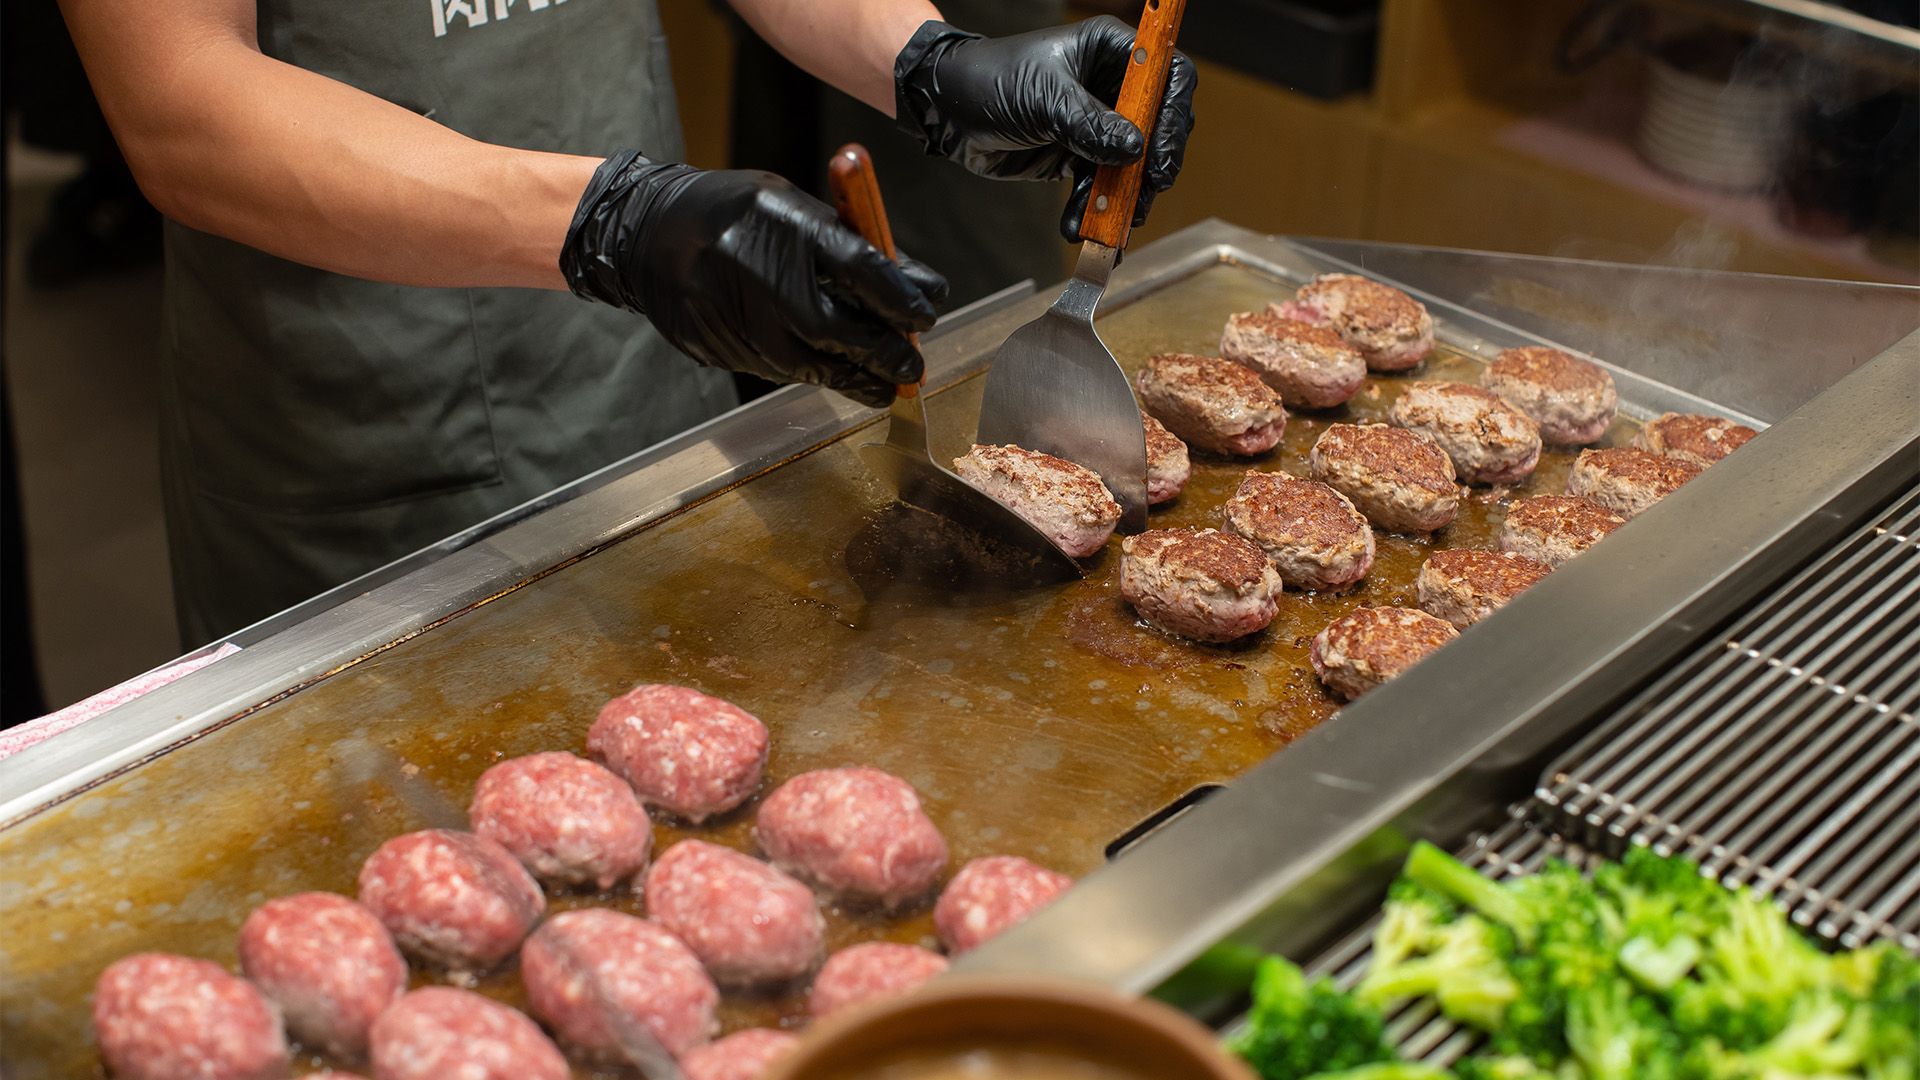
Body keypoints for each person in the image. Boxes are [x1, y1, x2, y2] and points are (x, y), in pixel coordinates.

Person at [57, 0, 1197, 645]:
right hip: (364, 406)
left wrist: (922, 59)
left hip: (645, 362)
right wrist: (608, 218)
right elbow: (178, 101)